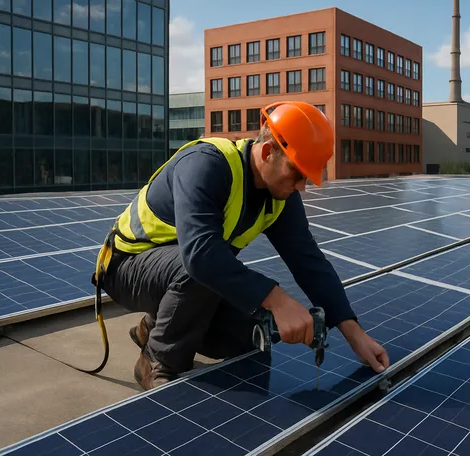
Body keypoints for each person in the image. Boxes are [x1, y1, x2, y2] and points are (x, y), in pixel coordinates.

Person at [93, 100, 390, 390]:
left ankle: (155, 326)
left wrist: (355, 334)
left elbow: (310, 263)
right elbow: (200, 256)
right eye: (297, 173)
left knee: (251, 336)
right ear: (268, 151)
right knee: (200, 265)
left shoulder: (280, 196)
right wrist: (277, 300)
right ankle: (158, 362)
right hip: (125, 267)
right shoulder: (207, 165)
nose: (302, 186)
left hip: (179, 276)